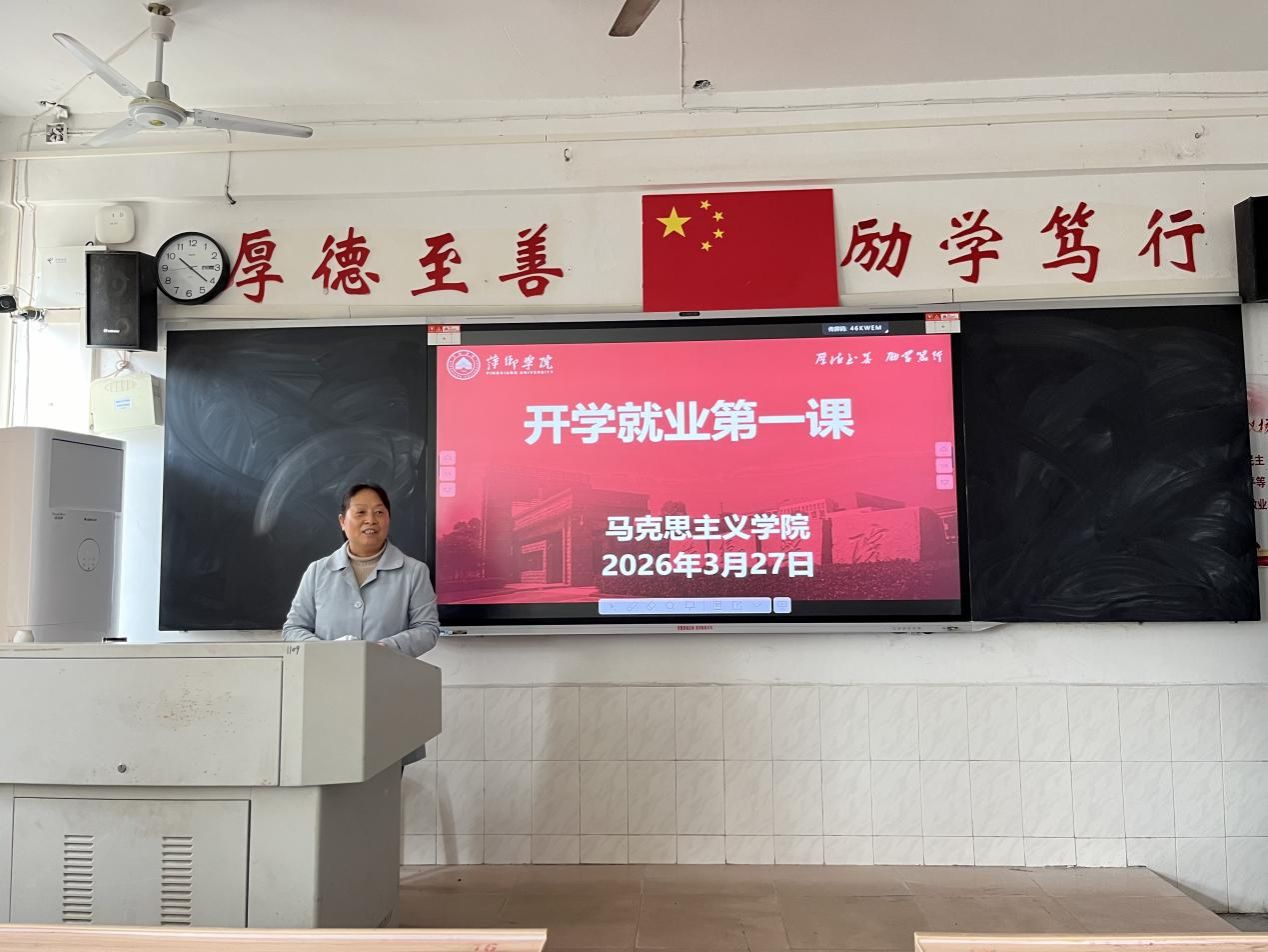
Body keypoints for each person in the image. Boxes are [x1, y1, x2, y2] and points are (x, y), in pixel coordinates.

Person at [283, 482, 439, 765]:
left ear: (388, 519)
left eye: (379, 512)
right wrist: (328, 651)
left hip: (388, 693)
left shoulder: (414, 571)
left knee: (384, 778)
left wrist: (383, 649)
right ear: (342, 521)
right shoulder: (318, 571)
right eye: (361, 512)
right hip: (327, 693)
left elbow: (427, 630)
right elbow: (293, 629)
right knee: (330, 775)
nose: (371, 520)